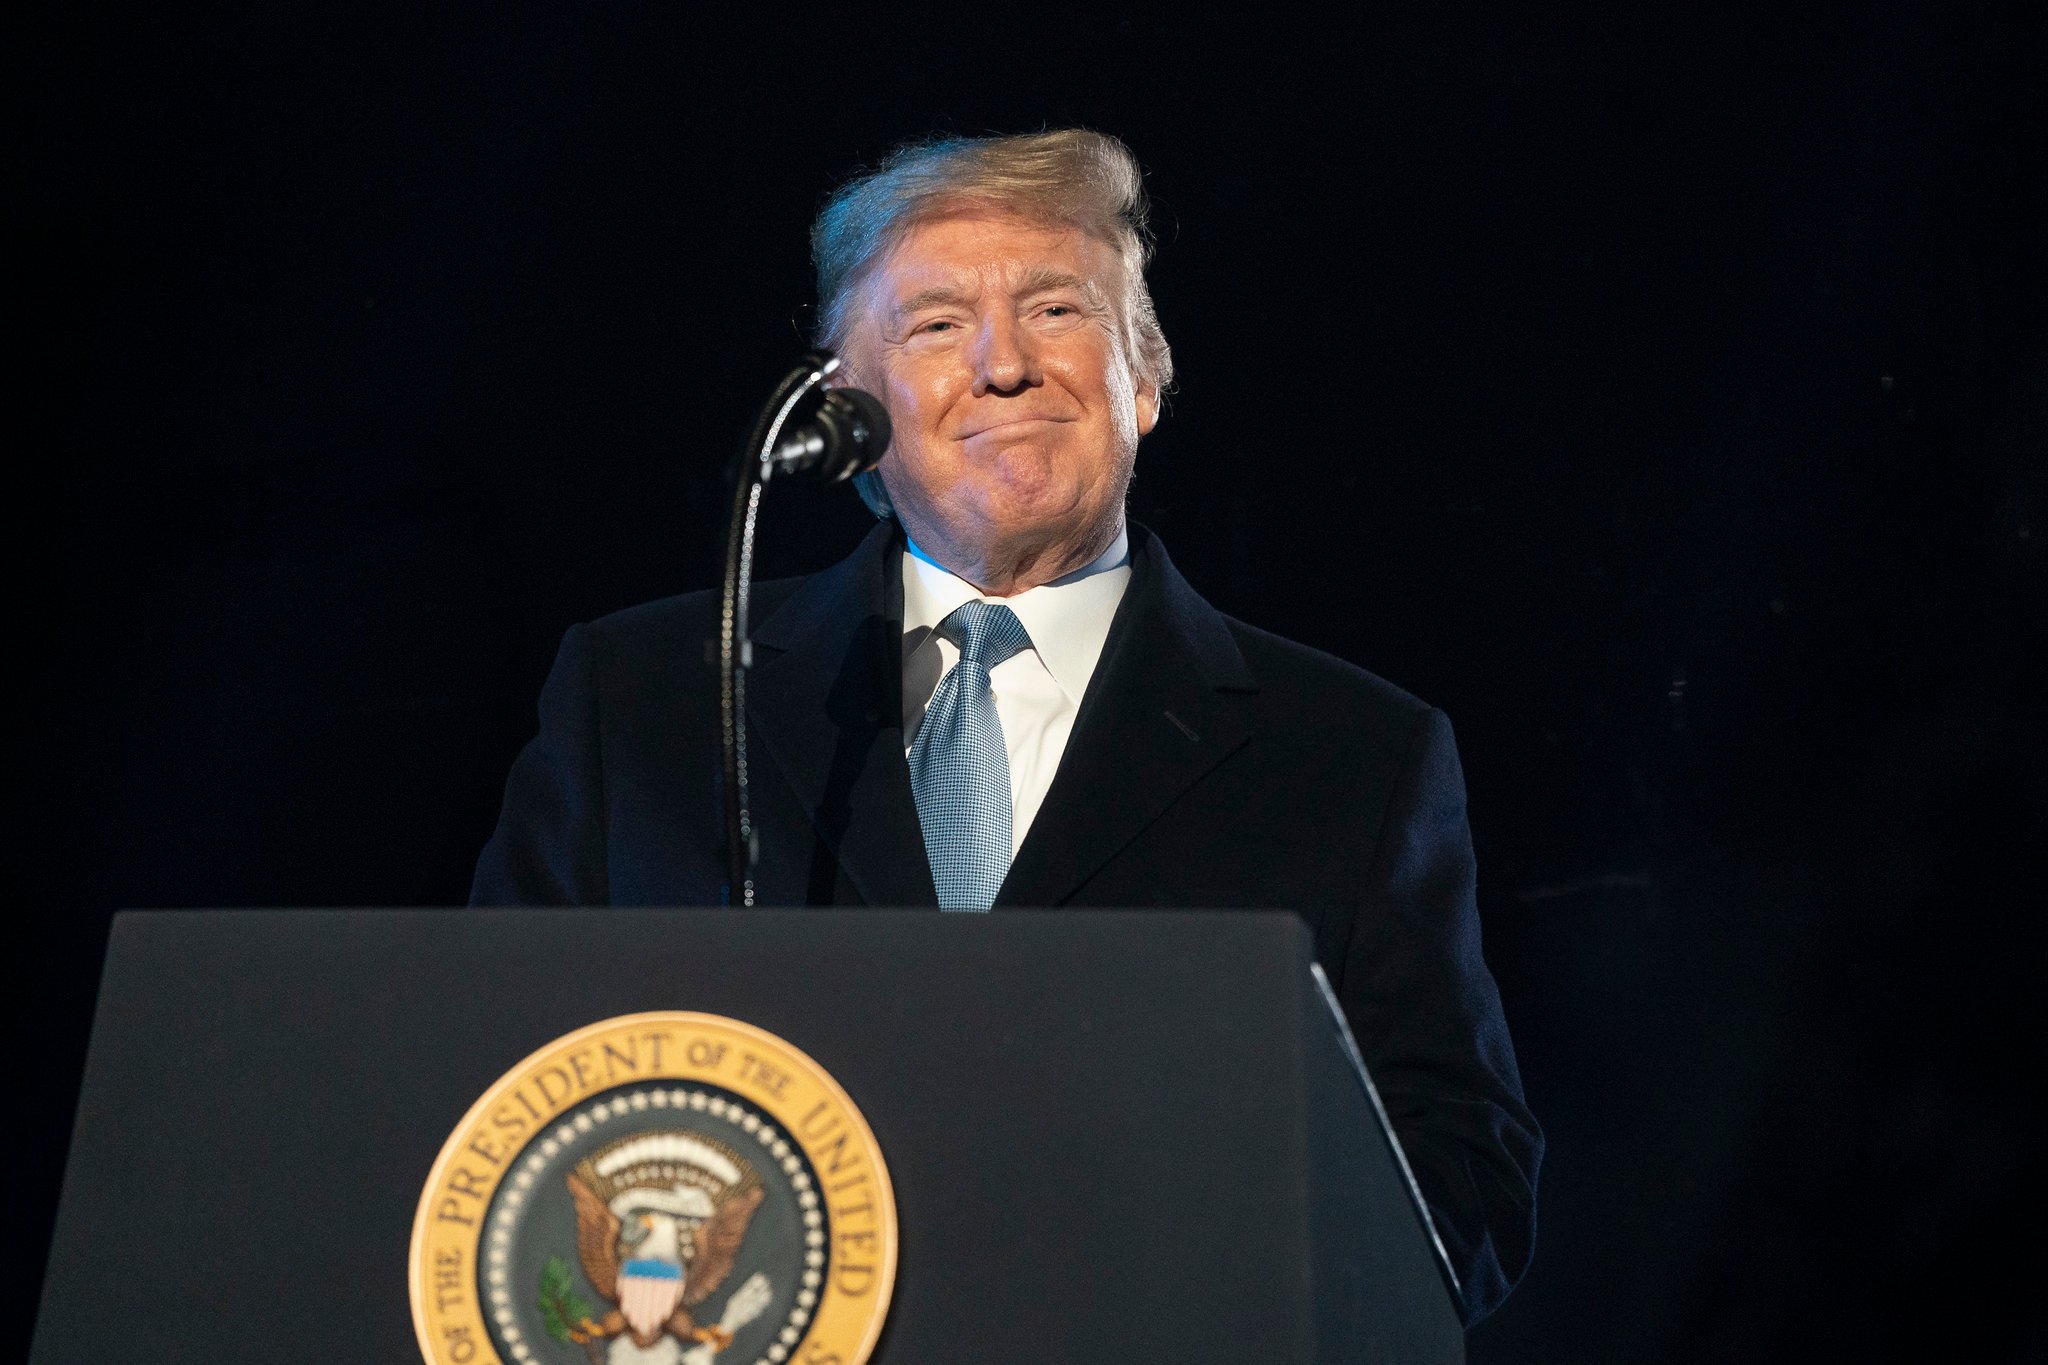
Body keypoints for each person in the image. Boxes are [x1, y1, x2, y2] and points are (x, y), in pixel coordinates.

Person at [473, 129, 1541, 1322]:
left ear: (1143, 376)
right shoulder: (648, 702)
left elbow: (1462, 1188)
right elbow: (482, 1086)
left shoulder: (1351, 756)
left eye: (1054, 311)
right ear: (847, 419)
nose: (1000, 367)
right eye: (931, 325)